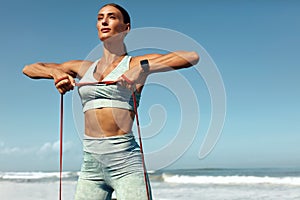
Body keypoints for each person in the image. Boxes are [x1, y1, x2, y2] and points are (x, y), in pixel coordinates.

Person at [23, 3, 199, 200]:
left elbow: (191, 57)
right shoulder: (83, 67)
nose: (104, 21)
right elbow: (29, 68)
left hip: (126, 163)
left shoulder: (134, 63)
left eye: (112, 17)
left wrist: (142, 67)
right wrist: (55, 73)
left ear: (126, 28)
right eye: (100, 18)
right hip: (91, 165)